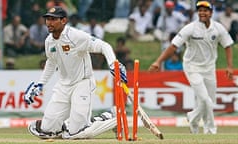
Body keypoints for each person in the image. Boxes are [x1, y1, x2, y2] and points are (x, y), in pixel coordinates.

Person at [24, 6, 127, 139]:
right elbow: (51, 62)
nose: (49, 22)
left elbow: (103, 46)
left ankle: (115, 118)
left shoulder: (76, 36)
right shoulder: (49, 41)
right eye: (47, 19)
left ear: (63, 21)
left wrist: (113, 64)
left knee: (76, 133)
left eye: (53, 19)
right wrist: (40, 84)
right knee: (46, 130)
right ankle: (87, 122)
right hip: (63, 85)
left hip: (82, 83)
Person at [148, 0, 234, 134]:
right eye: (200, 10)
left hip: (210, 68)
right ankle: (210, 130)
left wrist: (229, 66)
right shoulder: (190, 28)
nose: (202, 13)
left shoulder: (218, 28)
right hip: (192, 67)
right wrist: (158, 61)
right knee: (205, 99)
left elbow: (227, 46)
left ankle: (193, 118)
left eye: (205, 10)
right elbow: (173, 46)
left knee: (209, 100)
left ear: (211, 13)